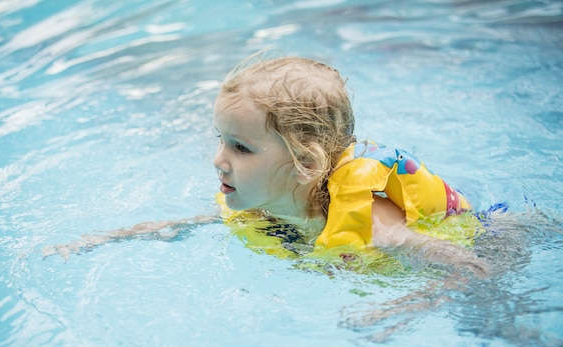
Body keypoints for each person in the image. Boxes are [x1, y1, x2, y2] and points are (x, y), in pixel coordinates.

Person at [44, 52, 488, 276]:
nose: (219, 161)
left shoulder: (374, 220)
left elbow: (470, 269)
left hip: (496, 245)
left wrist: (407, 307)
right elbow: (190, 225)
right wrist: (103, 240)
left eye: (241, 147)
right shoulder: (265, 204)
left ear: (306, 163)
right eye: (221, 141)